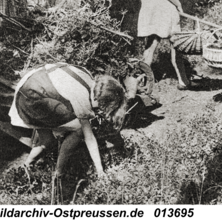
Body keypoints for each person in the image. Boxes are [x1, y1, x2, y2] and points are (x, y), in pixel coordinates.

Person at [9, 63, 140, 177]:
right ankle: (59, 173)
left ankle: (27, 166)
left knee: (47, 140)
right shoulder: (82, 97)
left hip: (30, 85)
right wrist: (100, 170)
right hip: (31, 99)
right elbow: (89, 137)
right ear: (101, 101)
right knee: (79, 129)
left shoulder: (87, 75)